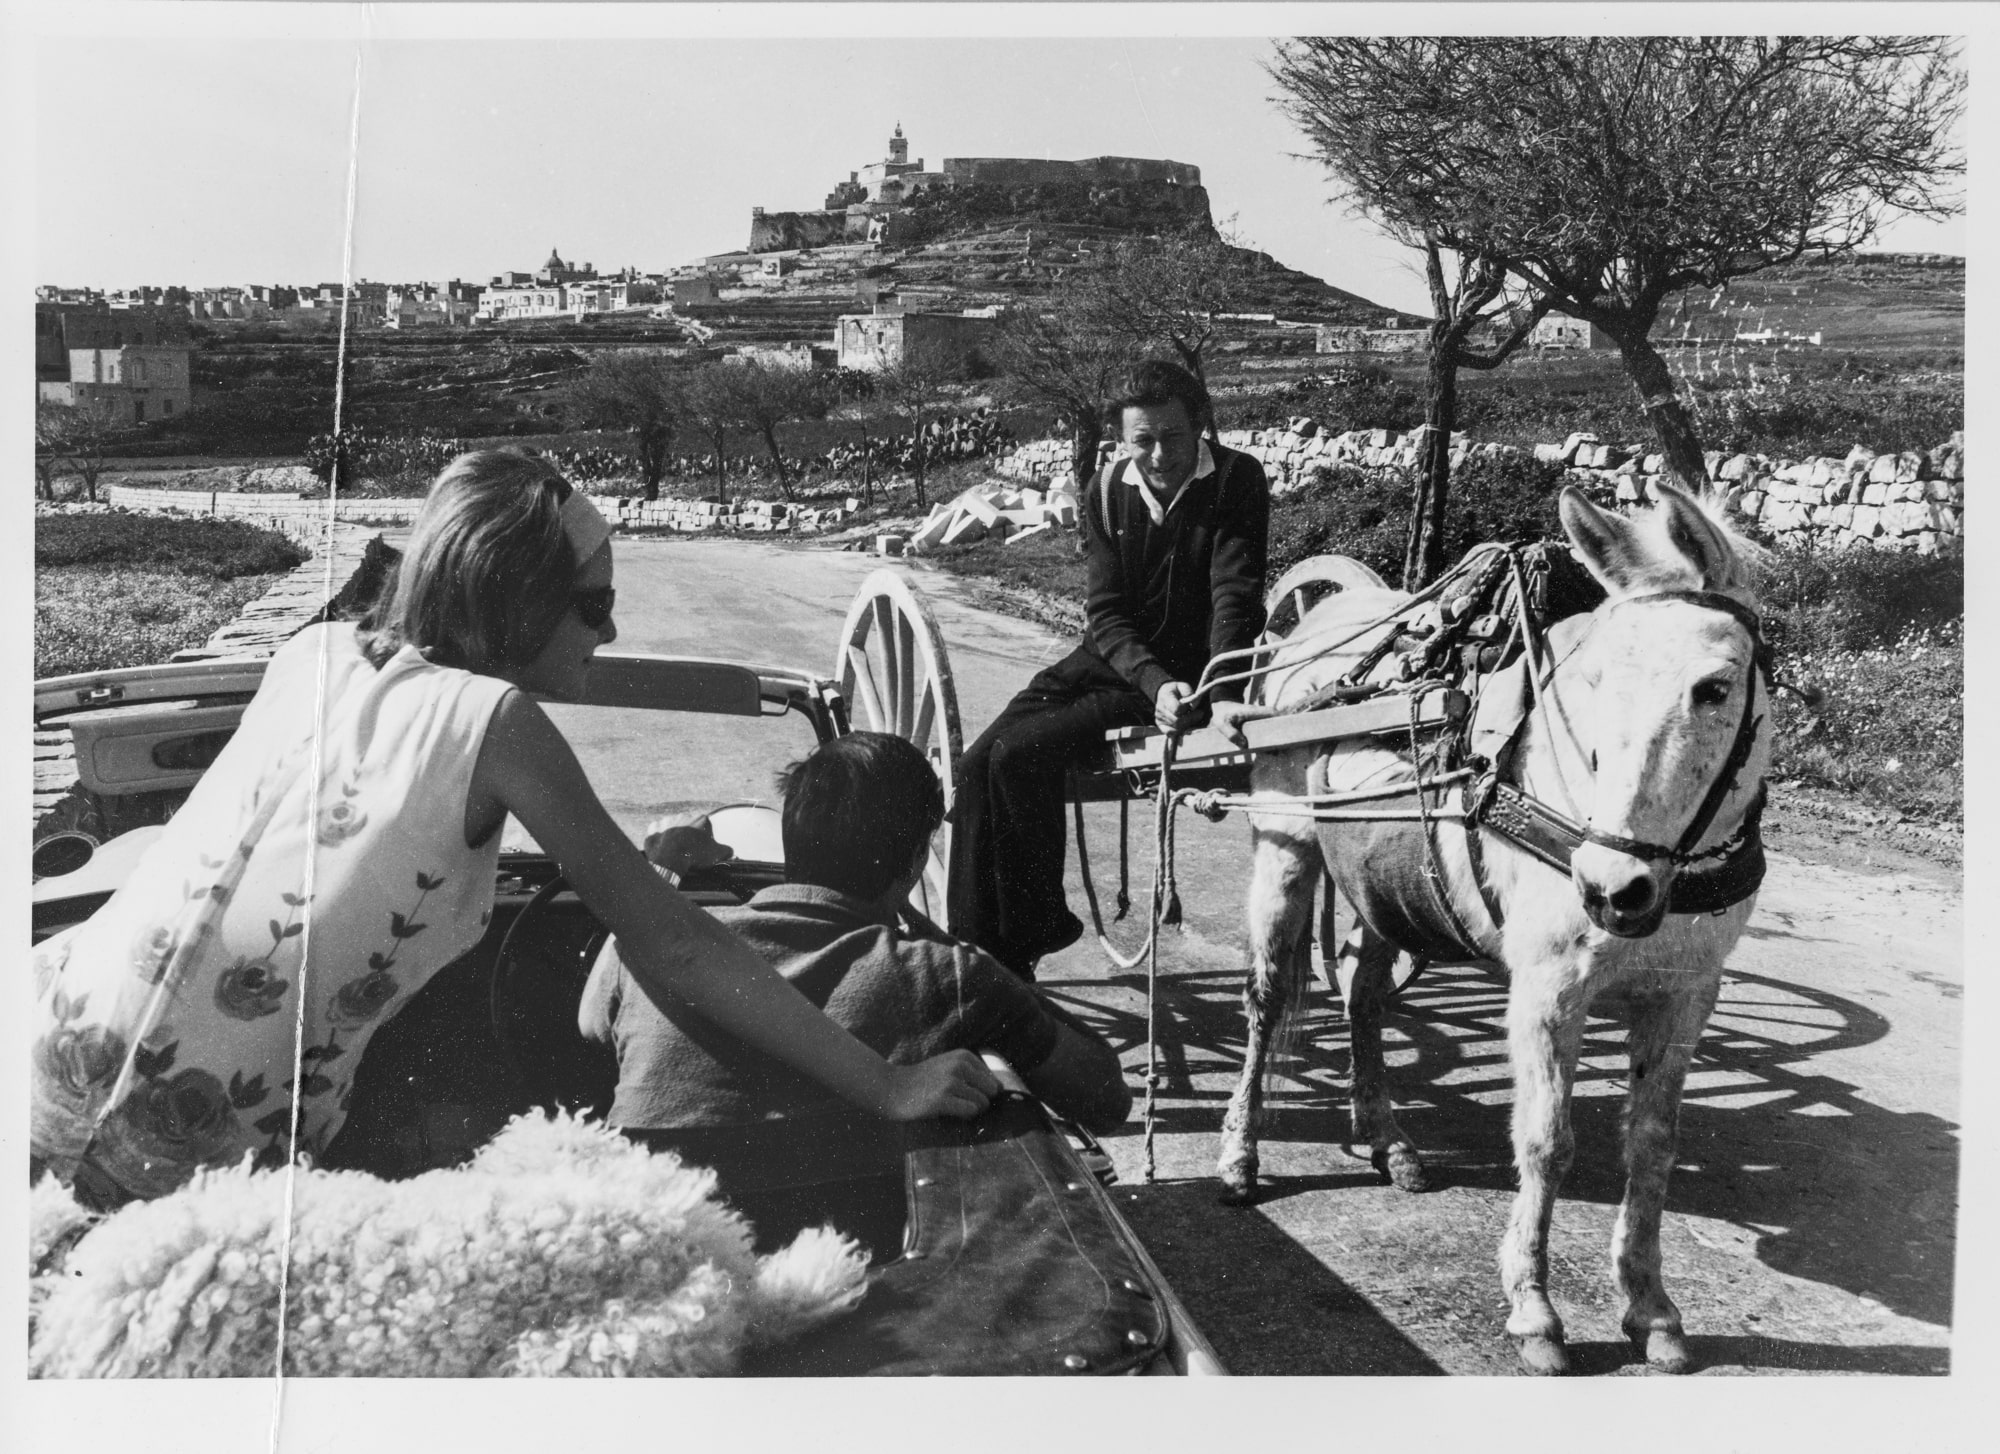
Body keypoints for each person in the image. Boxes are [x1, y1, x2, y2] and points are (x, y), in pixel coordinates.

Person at [30, 450, 997, 1210]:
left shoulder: (313, 652)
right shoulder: (494, 720)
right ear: (519, 596)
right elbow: (676, 948)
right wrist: (886, 1085)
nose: (608, 634)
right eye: (594, 605)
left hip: (45, 1049)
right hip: (183, 1154)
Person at [581, 732, 1130, 1252]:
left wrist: (664, 872)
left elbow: (590, 1022)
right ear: (915, 861)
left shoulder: (652, 950)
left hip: (650, 1249)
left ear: (790, 834)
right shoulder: (943, 974)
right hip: (843, 1267)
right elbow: (1106, 1099)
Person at [948, 359, 1271, 979]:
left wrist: (1217, 689)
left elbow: (1235, 591)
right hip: (1119, 662)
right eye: (1141, 440)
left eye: (1172, 437)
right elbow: (1107, 612)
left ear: (1199, 425)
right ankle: (971, 950)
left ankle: (1021, 948)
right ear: (1121, 439)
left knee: (1019, 757)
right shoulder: (1104, 489)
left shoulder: (1235, 480)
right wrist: (1147, 676)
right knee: (975, 764)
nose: (1158, 455)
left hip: (1186, 678)